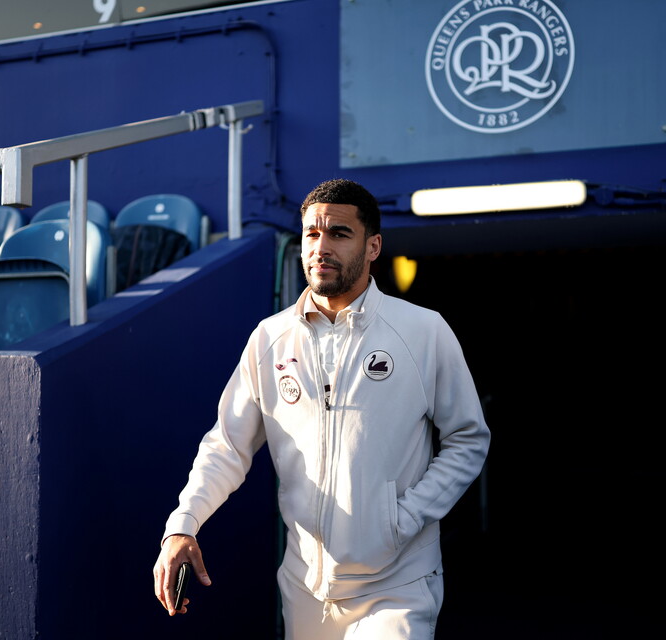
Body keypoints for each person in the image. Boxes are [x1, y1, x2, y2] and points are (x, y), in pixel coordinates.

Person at [153, 178, 490, 639]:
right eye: (312, 234)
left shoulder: (423, 331)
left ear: (373, 246)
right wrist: (183, 524)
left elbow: (468, 438)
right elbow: (227, 446)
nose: (321, 247)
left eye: (339, 234)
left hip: (397, 583)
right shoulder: (269, 338)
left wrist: (405, 518)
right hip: (305, 587)